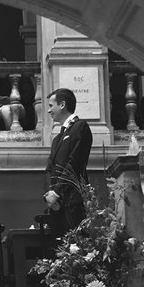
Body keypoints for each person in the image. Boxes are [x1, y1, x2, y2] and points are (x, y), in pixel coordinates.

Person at [44, 88, 93, 238]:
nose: (48, 111)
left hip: (74, 202)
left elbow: (74, 164)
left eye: (51, 106)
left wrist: (57, 192)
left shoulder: (80, 127)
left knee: (77, 247)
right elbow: (50, 169)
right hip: (57, 205)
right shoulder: (57, 139)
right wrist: (51, 197)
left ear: (62, 104)